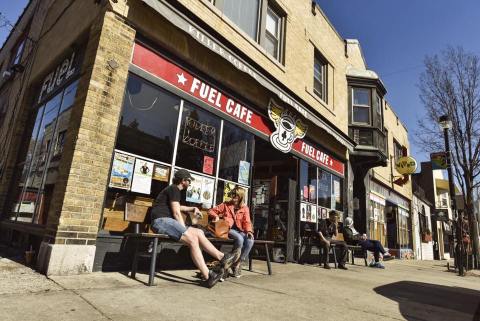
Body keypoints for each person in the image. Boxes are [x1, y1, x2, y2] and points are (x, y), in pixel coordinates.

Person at [150, 169, 235, 288]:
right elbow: (176, 212)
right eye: (189, 181)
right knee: (192, 239)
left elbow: (178, 207)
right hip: (161, 221)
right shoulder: (174, 189)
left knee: (199, 232)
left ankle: (222, 257)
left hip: (166, 222)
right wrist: (184, 229)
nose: (190, 183)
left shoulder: (173, 190)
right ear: (183, 180)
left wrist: (192, 208)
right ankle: (208, 275)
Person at [208, 187, 253, 278]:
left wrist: (249, 231)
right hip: (228, 229)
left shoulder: (245, 208)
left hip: (241, 230)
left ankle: (237, 263)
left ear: (240, 196)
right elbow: (211, 211)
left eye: (235, 195)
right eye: (232, 194)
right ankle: (229, 263)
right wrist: (216, 216)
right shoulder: (226, 204)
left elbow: (247, 221)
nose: (233, 197)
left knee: (250, 240)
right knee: (239, 239)